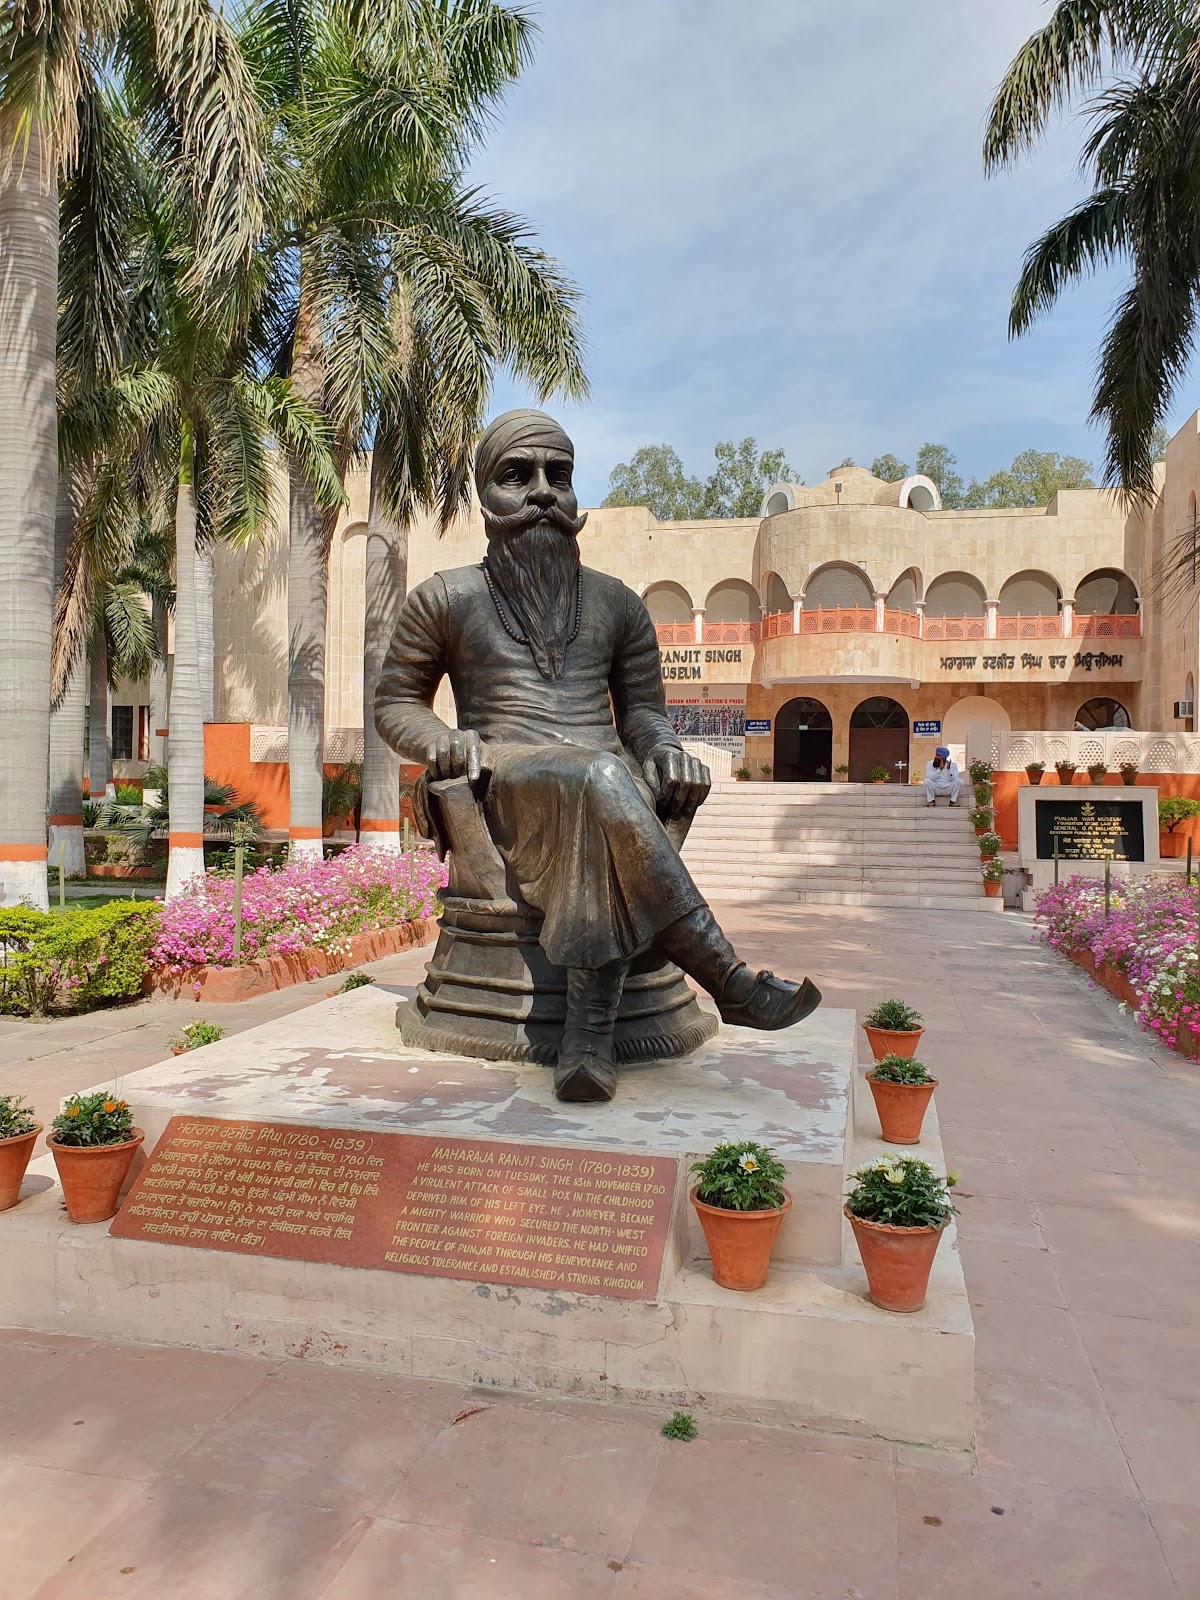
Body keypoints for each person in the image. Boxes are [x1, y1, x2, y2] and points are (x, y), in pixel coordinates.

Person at [375, 410, 820, 1102]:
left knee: (603, 777)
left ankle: (588, 1033)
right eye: (517, 476)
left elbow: (643, 713)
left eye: (560, 475)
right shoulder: (446, 597)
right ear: (484, 500)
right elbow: (396, 702)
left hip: (604, 785)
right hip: (503, 780)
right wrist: (441, 741)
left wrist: (667, 749)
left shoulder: (617, 603)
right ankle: (724, 981)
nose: (544, 492)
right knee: (601, 775)